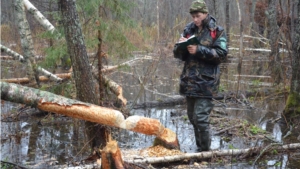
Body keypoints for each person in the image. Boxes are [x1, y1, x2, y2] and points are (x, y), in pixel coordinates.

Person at [173, 0, 228, 152]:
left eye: (198, 16)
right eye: (193, 16)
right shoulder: (188, 30)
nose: (195, 20)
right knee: (192, 118)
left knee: (201, 118)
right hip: (189, 81)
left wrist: (199, 50)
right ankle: (199, 149)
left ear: (205, 13)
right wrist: (181, 48)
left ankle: (205, 152)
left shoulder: (217, 31)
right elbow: (177, 53)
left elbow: (222, 55)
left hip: (206, 83)